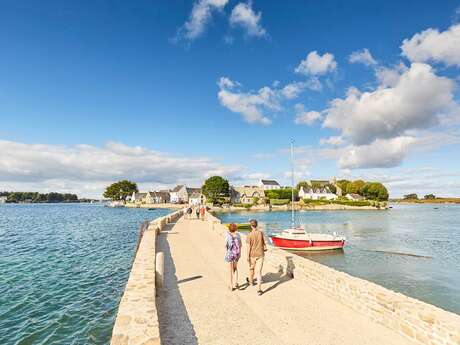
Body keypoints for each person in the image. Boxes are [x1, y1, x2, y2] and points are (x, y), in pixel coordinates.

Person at [246, 219, 266, 296]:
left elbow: (248, 247)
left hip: (252, 255)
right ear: (256, 225)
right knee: (259, 272)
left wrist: (247, 256)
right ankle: (259, 289)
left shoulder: (249, 235)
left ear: (251, 225)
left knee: (252, 269)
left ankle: (251, 282)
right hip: (260, 254)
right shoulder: (260, 233)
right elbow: (263, 243)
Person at [225, 223, 242, 291]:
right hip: (237, 254)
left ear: (229, 229)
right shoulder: (238, 235)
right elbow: (240, 245)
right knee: (235, 268)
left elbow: (226, 245)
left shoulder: (228, 236)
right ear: (236, 229)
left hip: (230, 254)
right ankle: (236, 283)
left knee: (230, 270)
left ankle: (231, 285)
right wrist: (239, 253)